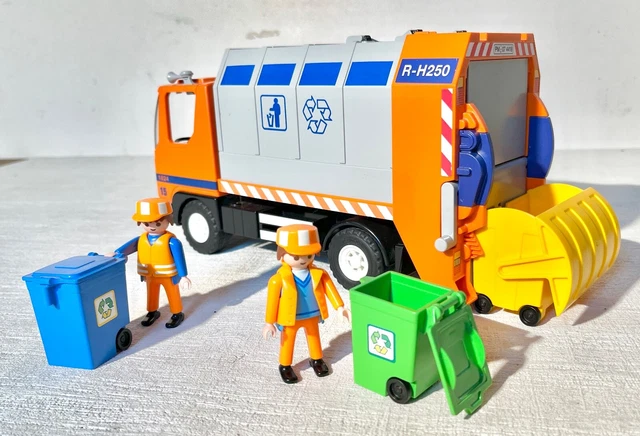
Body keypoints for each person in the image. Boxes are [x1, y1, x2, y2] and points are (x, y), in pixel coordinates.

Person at [262, 224, 350, 384]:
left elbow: (330, 289)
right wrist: (269, 322)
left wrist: (340, 306)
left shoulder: (319, 274)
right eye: (296, 257)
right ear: (281, 255)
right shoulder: (278, 279)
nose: (303, 260)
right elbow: (272, 301)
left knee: (314, 337)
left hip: (312, 314)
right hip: (290, 318)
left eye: (309, 255)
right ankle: (285, 365)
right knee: (287, 341)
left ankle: (317, 359)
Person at [108, 198, 191, 328]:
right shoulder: (141, 239)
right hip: (149, 275)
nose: (152, 227)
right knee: (151, 294)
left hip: (168, 276)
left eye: (158, 223)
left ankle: (177, 313)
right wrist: (117, 252)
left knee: (172, 293)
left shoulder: (171, 241)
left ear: (168, 220)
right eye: (147, 223)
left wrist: (183, 276)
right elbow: (129, 247)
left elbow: (179, 258)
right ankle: (152, 311)